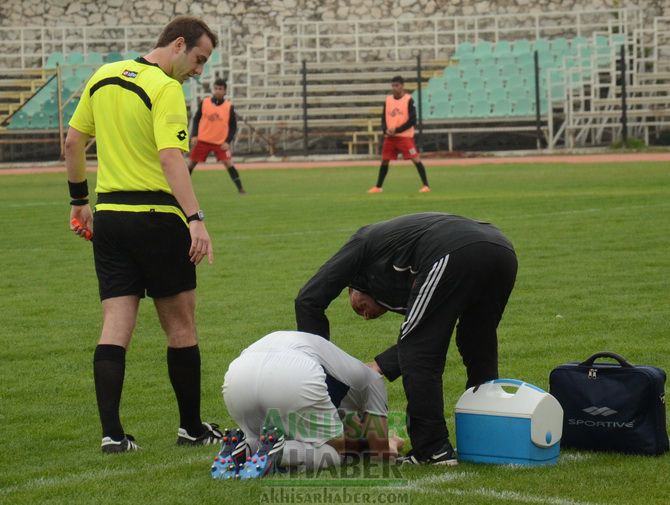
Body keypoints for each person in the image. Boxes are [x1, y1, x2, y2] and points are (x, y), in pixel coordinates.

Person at [65, 16, 223, 453]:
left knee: (115, 325)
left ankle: (112, 435)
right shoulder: (165, 87)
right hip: (157, 219)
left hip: (111, 219)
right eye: (198, 59)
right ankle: (191, 428)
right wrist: (195, 217)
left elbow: (73, 142)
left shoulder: (103, 76)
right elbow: (171, 157)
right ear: (178, 44)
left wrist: (79, 201)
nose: (199, 71)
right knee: (180, 325)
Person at [295, 213, 518, 465]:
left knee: (420, 349)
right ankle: (489, 435)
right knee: (477, 341)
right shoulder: (396, 273)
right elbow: (432, 332)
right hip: (501, 248)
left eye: (358, 308)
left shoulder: (361, 247)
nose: (365, 316)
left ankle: (432, 449)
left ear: (351, 287)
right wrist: (383, 364)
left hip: (454, 249)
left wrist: (325, 374)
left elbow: (308, 300)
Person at [215, 330, 403, 479]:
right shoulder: (372, 380)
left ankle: (246, 446)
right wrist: (392, 443)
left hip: (238, 373)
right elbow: (381, 454)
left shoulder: (341, 372)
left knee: (263, 438)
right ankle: (282, 452)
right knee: (334, 453)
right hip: (294, 374)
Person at [368, 76, 430, 194]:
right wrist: (385, 129)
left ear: (402, 86)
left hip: (404, 137)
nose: (394, 88)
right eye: (393, 85)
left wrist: (397, 130)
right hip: (390, 138)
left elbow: (413, 120)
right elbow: (383, 118)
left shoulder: (409, 100)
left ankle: (426, 185)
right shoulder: (388, 100)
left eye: (397, 85)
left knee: (415, 159)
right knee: (385, 160)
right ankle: (378, 187)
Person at [187, 78, 245, 194]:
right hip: (203, 140)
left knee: (228, 163)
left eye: (221, 89)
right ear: (213, 89)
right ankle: (181, 187)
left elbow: (233, 126)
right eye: (216, 88)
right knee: (191, 163)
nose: (218, 91)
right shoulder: (205, 102)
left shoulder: (229, 107)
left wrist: (227, 141)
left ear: (225, 91)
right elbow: (196, 119)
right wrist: (194, 135)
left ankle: (240, 189)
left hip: (220, 142)